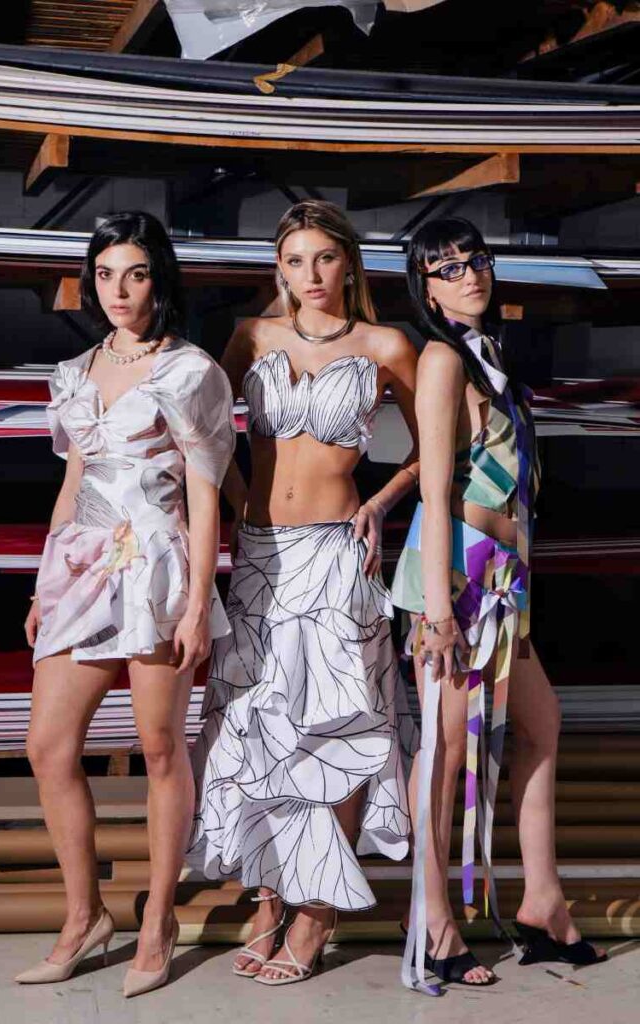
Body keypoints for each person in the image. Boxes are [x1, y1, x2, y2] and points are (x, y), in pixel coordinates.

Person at [188, 199, 419, 985]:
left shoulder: (385, 344)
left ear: (348, 262)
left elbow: (437, 445)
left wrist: (378, 503)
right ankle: (268, 895)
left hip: (334, 555)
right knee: (257, 727)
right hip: (259, 555)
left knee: (336, 728)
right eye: (295, 261)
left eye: (324, 258)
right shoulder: (252, 336)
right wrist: (234, 500)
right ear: (278, 269)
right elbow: (202, 431)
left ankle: (316, 913)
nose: (310, 274)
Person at [19, 211, 235, 997]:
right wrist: (44, 582)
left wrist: (196, 604)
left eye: (136, 274)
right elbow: (73, 479)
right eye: (106, 274)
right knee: (48, 747)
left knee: (159, 748)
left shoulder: (189, 371)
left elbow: (205, 497)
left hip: (157, 567)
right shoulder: (74, 371)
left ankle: (158, 923)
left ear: (158, 280)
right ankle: (85, 917)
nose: (119, 290)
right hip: (81, 566)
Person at [391, 216, 606, 994]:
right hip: (455, 575)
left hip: (501, 578)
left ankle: (541, 904)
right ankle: (434, 922)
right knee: (446, 749)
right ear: (425, 289)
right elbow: (434, 487)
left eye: (474, 260)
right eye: (446, 267)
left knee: (539, 724)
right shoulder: (442, 358)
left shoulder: (487, 357)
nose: (467, 274)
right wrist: (439, 608)